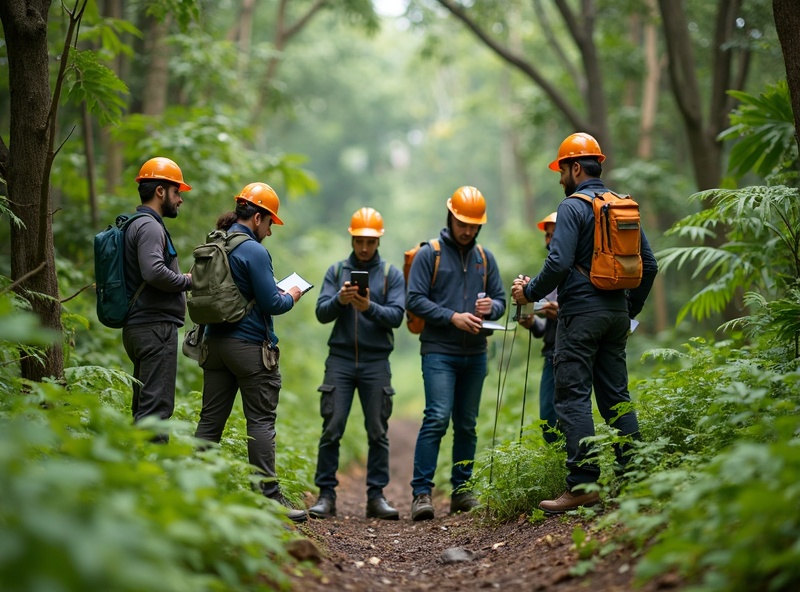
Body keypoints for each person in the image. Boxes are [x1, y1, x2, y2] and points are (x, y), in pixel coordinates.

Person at [511, 132, 658, 513]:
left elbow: (558, 262)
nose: (560, 179)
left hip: (580, 318)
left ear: (576, 168)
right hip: (616, 316)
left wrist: (529, 293)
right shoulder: (621, 205)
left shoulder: (572, 208)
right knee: (616, 398)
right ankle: (635, 479)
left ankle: (583, 485)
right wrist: (630, 310)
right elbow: (649, 264)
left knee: (572, 396)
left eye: (562, 171)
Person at [194, 182, 308, 523]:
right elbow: (273, 303)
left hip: (214, 346)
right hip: (248, 349)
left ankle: (195, 493)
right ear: (257, 218)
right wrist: (292, 295)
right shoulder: (254, 251)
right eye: (270, 223)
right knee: (260, 421)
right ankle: (269, 499)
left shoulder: (218, 242)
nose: (270, 231)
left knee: (209, 422)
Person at [406, 186, 506, 521]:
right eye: (462, 223)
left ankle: (462, 492)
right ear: (450, 217)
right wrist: (452, 317)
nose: (467, 231)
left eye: (474, 226)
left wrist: (492, 307)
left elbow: (501, 301)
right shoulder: (429, 254)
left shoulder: (485, 258)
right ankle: (422, 493)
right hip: (439, 351)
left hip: (476, 353)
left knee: (467, 424)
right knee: (437, 417)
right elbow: (414, 299)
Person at [308, 207, 405, 521]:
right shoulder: (337, 271)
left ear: (378, 241)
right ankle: (326, 496)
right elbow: (321, 313)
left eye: (370, 242)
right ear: (352, 239)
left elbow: (397, 316)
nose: (364, 247)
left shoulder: (390, 274)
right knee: (332, 428)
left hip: (377, 362)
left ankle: (376, 497)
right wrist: (340, 300)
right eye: (360, 241)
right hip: (340, 361)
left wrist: (368, 307)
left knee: (378, 431)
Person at [122, 156, 192, 443]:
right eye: (177, 192)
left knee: (144, 408)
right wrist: (187, 281)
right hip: (155, 329)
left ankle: (137, 463)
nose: (180, 199)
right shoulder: (150, 227)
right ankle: (153, 467)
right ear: (160, 191)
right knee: (155, 412)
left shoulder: (134, 224)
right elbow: (153, 272)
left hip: (140, 327)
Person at [517, 212, 559, 444]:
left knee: (562, 414)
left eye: (554, 234)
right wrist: (533, 323)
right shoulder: (551, 270)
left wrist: (560, 313)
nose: (550, 240)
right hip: (551, 350)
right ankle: (560, 461)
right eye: (547, 235)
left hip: (572, 349)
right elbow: (547, 327)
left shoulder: (576, 267)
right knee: (548, 417)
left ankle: (575, 460)